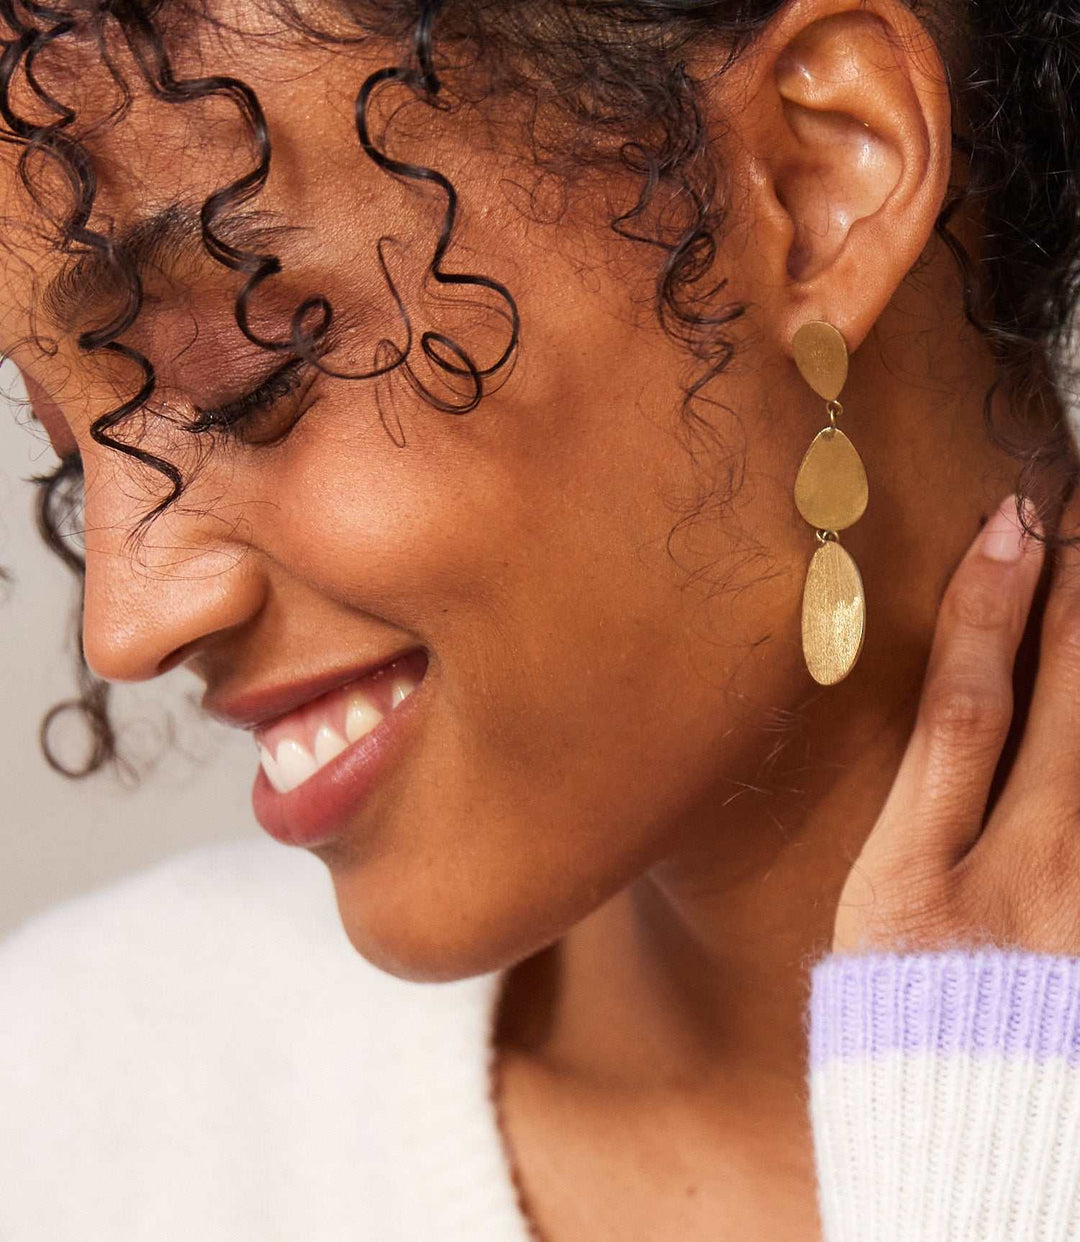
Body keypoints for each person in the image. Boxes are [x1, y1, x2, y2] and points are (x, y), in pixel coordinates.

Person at [1, 0, 1079, 1237]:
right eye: (71, 452)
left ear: (817, 175)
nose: (126, 626)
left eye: (243, 373)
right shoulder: (83, 1109)